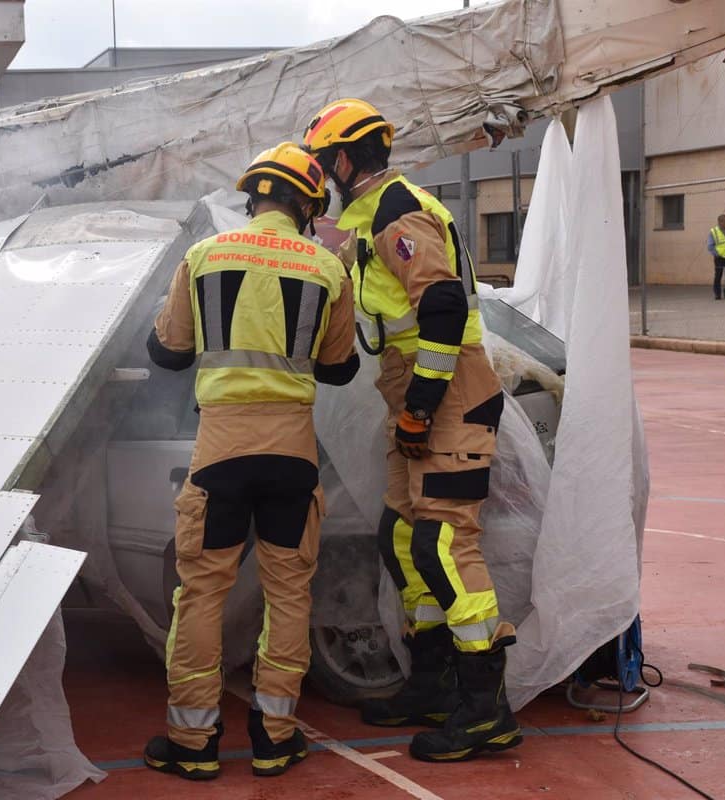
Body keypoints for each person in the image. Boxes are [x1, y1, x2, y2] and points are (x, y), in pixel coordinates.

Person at [301, 98, 520, 763]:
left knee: (444, 544)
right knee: (400, 538)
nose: (321, 177)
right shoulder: (371, 217)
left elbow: (444, 306)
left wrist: (422, 407)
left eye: (322, 164)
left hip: (448, 395)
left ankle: (487, 710)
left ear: (343, 159)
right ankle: (430, 683)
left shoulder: (401, 213)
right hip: (415, 395)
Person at [143, 142, 359, 781]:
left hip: (221, 455)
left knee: (202, 593)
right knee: (290, 593)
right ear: (307, 205)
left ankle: (193, 744)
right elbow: (342, 368)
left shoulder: (204, 257)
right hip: (293, 455)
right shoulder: (326, 268)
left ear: (253, 195)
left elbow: (168, 353)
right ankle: (275, 738)